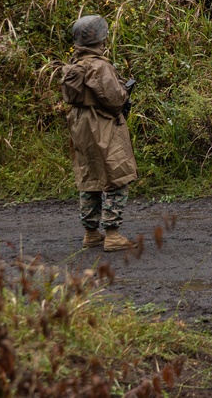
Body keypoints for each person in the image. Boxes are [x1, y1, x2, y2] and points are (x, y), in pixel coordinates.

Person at [60, 15, 137, 252]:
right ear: (100, 39)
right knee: (116, 173)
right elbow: (115, 100)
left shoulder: (74, 66)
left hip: (80, 124)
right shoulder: (99, 66)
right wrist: (126, 91)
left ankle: (90, 232)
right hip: (102, 124)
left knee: (89, 175)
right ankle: (112, 234)